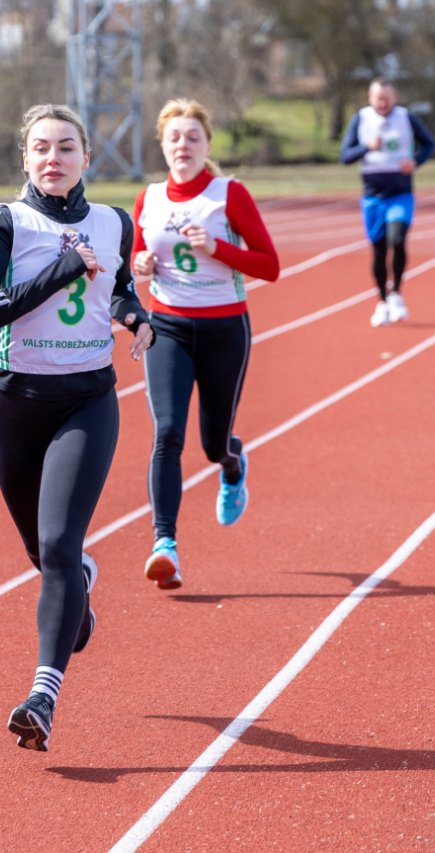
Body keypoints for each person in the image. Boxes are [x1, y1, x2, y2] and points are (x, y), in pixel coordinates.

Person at [0, 103, 154, 753]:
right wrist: (62, 268)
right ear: (25, 158)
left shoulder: (113, 222)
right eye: (41, 147)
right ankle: (77, 598)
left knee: (60, 544)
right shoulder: (6, 222)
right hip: (14, 403)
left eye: (66, 147)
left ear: (86, 157)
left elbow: (120, 286)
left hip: (87, 401)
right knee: (42, 555)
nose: (54, 158)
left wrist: (136, 317)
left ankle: (42, 696)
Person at [132, 99, 280, 590]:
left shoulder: (228, 195)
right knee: (167, 433)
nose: (183, 145)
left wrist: (218, 249)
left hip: (224, 330)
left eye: (193, 137)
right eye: (174, 137)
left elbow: (269, 265)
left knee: (212, 443)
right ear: (162, 144)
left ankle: (232, 465)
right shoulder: (148, 198)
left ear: (207, 145)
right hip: (168, 328)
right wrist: (141, 266)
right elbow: (137, 253)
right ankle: (165, 545)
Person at [338, 79, 435, 327]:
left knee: (398, 239)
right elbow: (344, 156)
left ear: (395, 97)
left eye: (387, 98)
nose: (383, 103)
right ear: (370, 98)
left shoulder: (406, 118)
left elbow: (429, 143)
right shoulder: (360, 119)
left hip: (400, 193)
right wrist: (366, 148)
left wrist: (415, 161)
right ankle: (382, 301)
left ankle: (396, 295)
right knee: (379, 251)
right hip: (372, 196)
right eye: (378, 98)